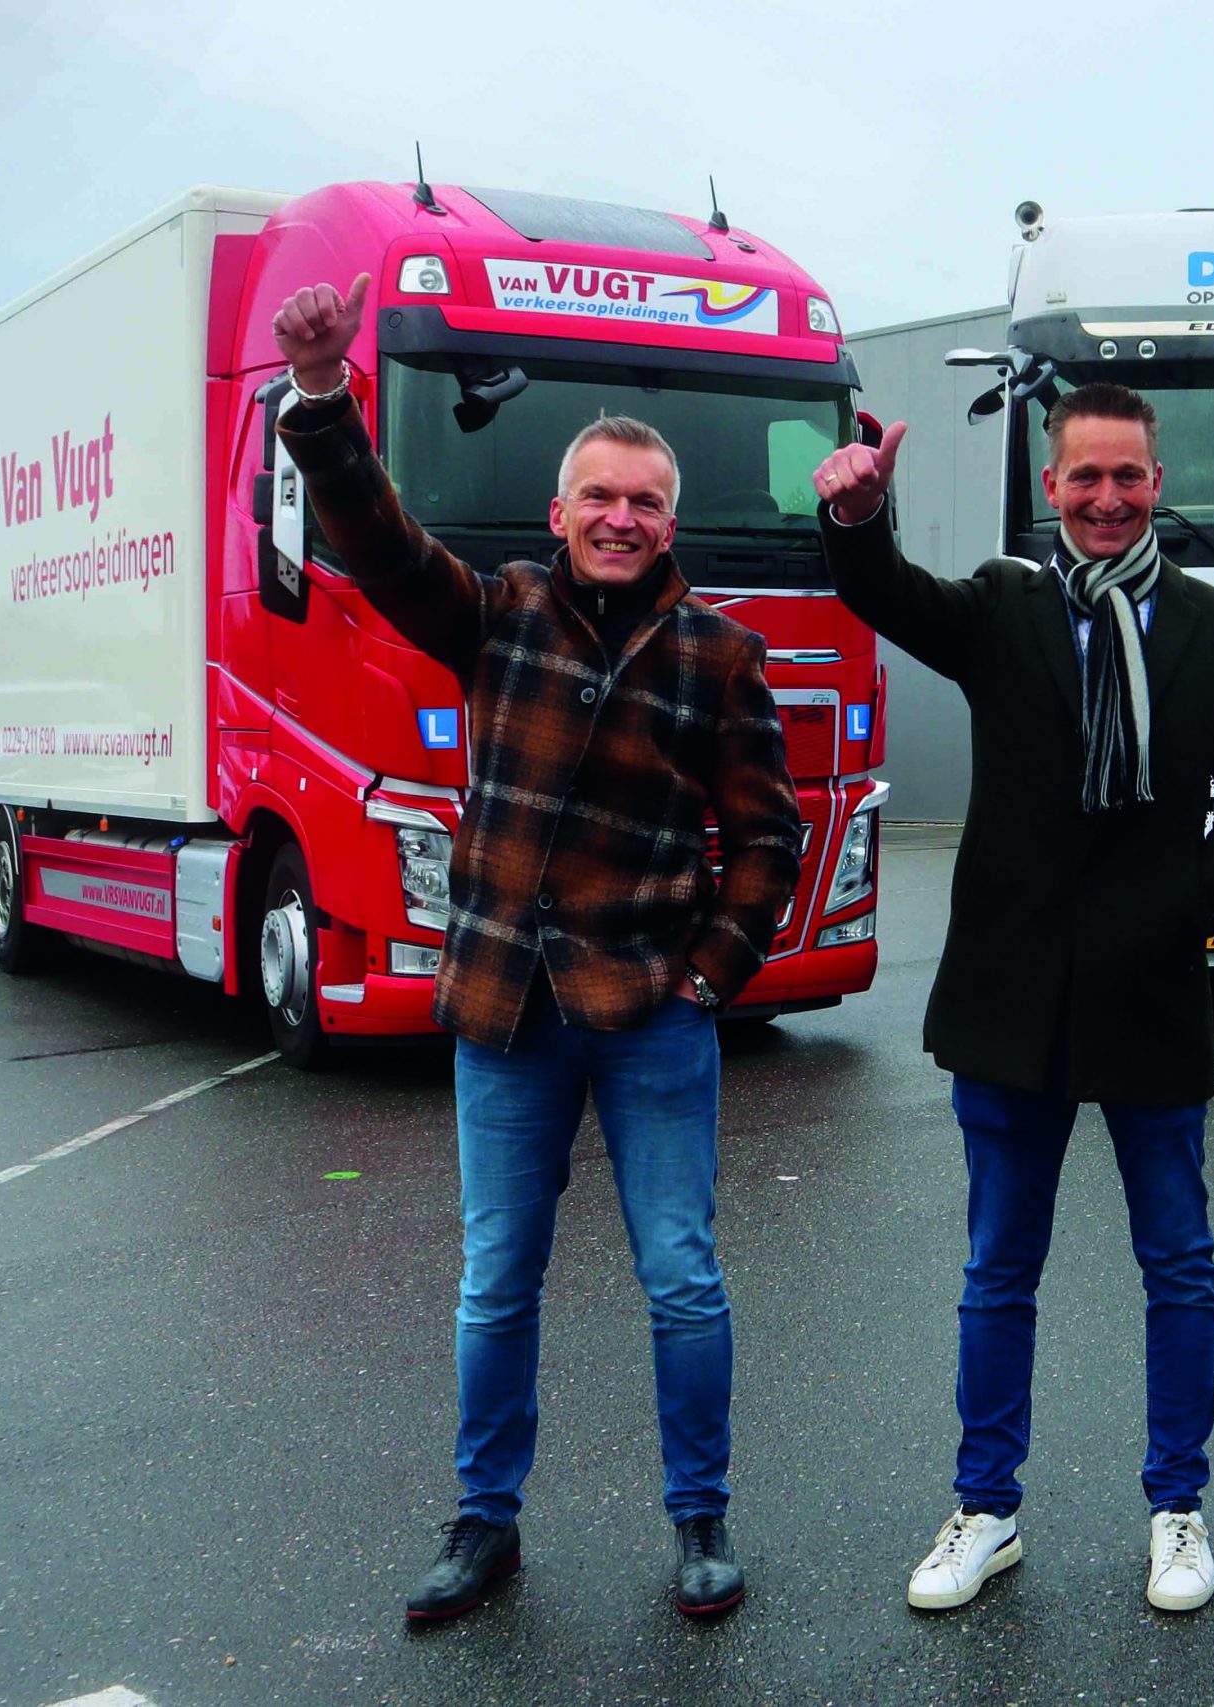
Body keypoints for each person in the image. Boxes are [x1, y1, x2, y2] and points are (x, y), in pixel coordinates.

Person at [271, 275, 800, 1623]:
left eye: (645, 502)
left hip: (652, 1012)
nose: (621, 517)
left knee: (681, 1279)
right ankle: (484, 1523)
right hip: (508, 1009)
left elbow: (768, 837)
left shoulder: (720, 654)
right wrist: (324, 398)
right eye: (599, 497)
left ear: (671, 522)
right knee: (496, 1284)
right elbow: (383, 544)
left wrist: (713, 971)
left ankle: (700, 1520)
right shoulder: (498, 611)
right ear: (560, 514)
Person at [811, 383, 1214, 1614]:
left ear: (1156, 484)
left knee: (1178, 1267)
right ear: (1051, 485)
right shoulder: (1001, 607)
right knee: (997, 1271)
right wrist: (859, 517)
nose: (1107, 498)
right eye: (1086, 477)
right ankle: (986, 1509)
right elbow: (883, 593)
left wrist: (1183, 913)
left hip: (1151, 992)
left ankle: (1177, 1509)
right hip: (1009, 998)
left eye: (1127, 476)